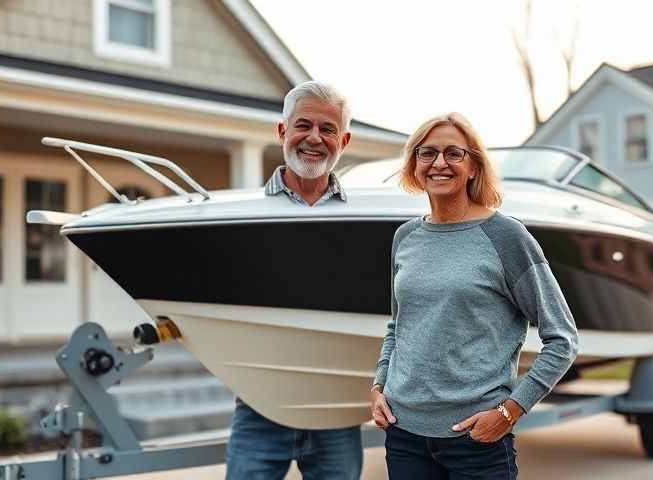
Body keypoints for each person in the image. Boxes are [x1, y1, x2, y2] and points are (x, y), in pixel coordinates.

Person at [370, 113, 578, 479]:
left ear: (473, 167)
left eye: (453, 153)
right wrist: (378, 386)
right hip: (404, 437)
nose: (439, 163)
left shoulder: (506, 237)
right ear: (414, 164)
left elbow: (562, 338)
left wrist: (509, 411)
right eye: (427, 153)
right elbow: (398, 326)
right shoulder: (405, 237)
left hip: (475, 442)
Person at [225, 80, 362, 480]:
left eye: (328, 129)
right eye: (303, 125)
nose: (314, 139)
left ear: (345, 140)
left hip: (335, 410)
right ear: (282, 131)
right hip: (259, 406)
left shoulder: (365, 218)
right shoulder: (240, 216)